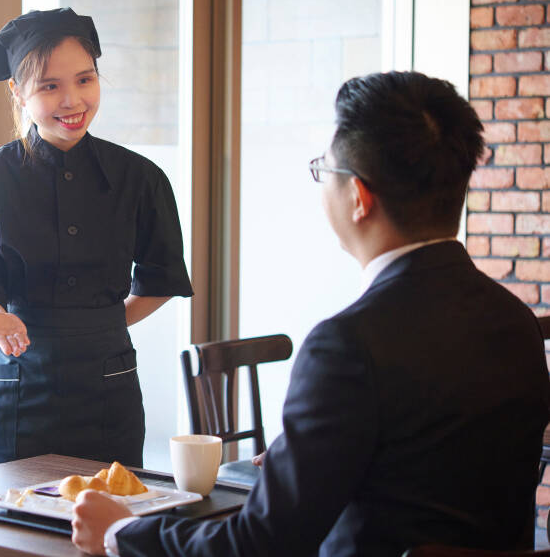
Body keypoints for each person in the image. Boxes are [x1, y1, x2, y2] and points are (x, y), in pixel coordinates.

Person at [71, 71, 550, 556]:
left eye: (324, 169)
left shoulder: (349, 344)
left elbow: (261, 544)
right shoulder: (516, 322)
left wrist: (120, 533)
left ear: (360, 198)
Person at [0, 8, 193, 468]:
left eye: (85, 79)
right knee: (12, 518)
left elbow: (162, 277)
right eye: (49, 86)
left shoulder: (140, 178)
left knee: (111, 516)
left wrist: (102, 324)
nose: (72, 99)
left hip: (109, 381)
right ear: (18, 93)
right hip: (21, 377)